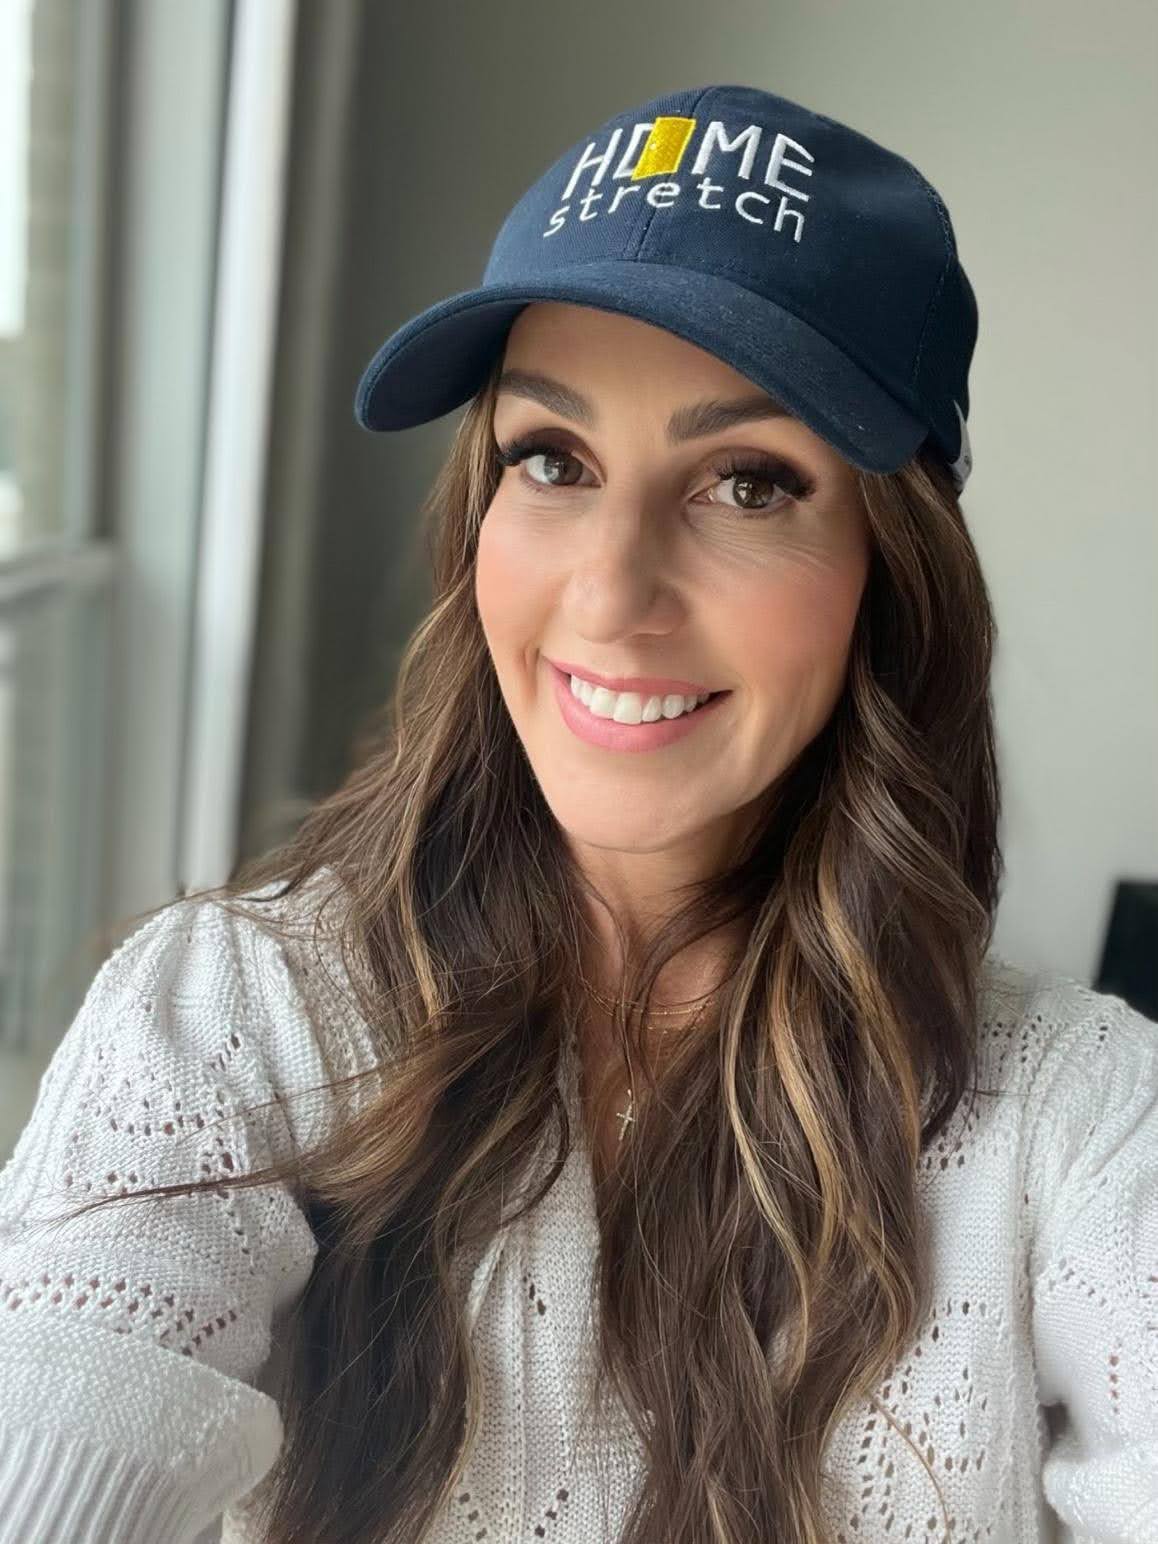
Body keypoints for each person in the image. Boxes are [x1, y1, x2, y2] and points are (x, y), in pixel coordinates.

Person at [1, 81, 1155, 1544]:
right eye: (550, 459)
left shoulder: (1080, 1124)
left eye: (747, 482)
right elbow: (62, 1404)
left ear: (891, 570)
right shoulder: (233, 1015)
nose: (609, 592)